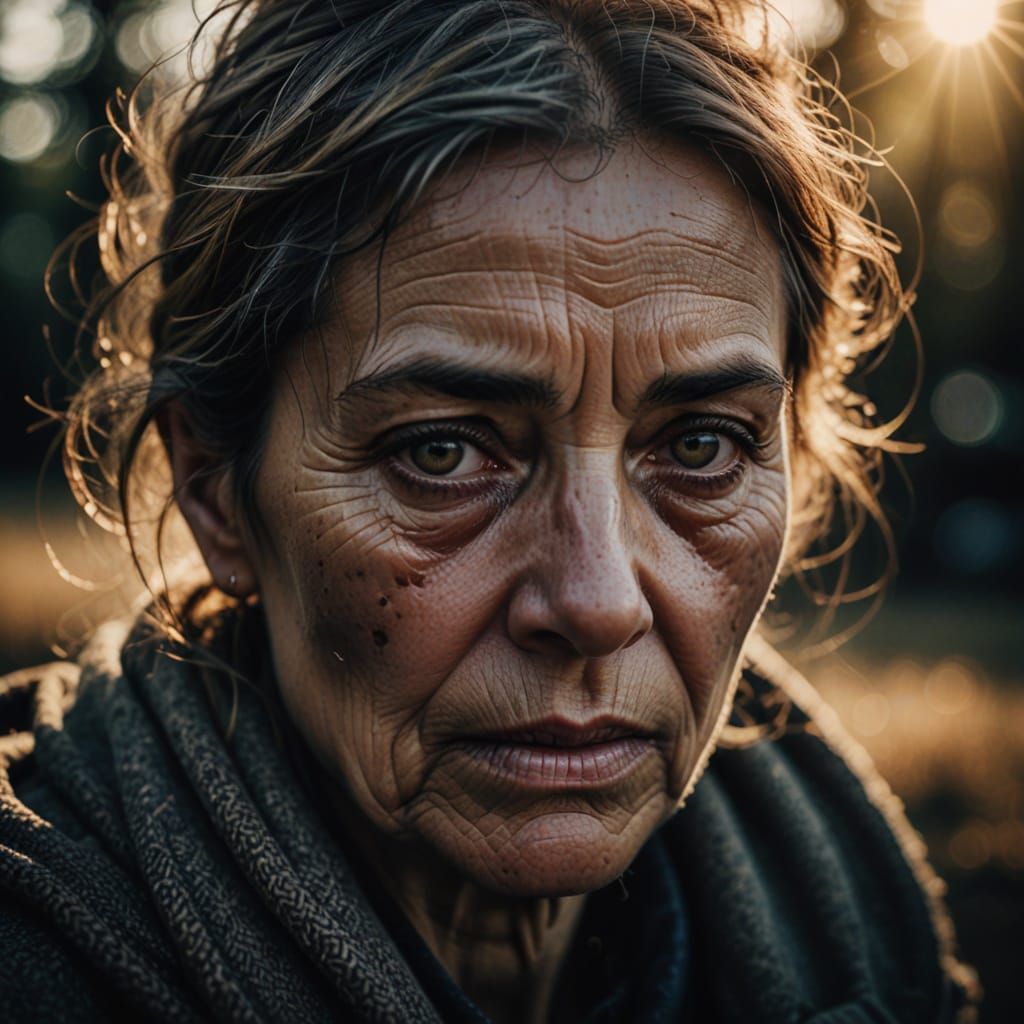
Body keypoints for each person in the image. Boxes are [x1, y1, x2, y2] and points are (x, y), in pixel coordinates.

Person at [0, 1, 978, 1021]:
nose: (596, 604)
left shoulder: (862, 925)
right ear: (216, 491)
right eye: (442, 451)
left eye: (701, 446)